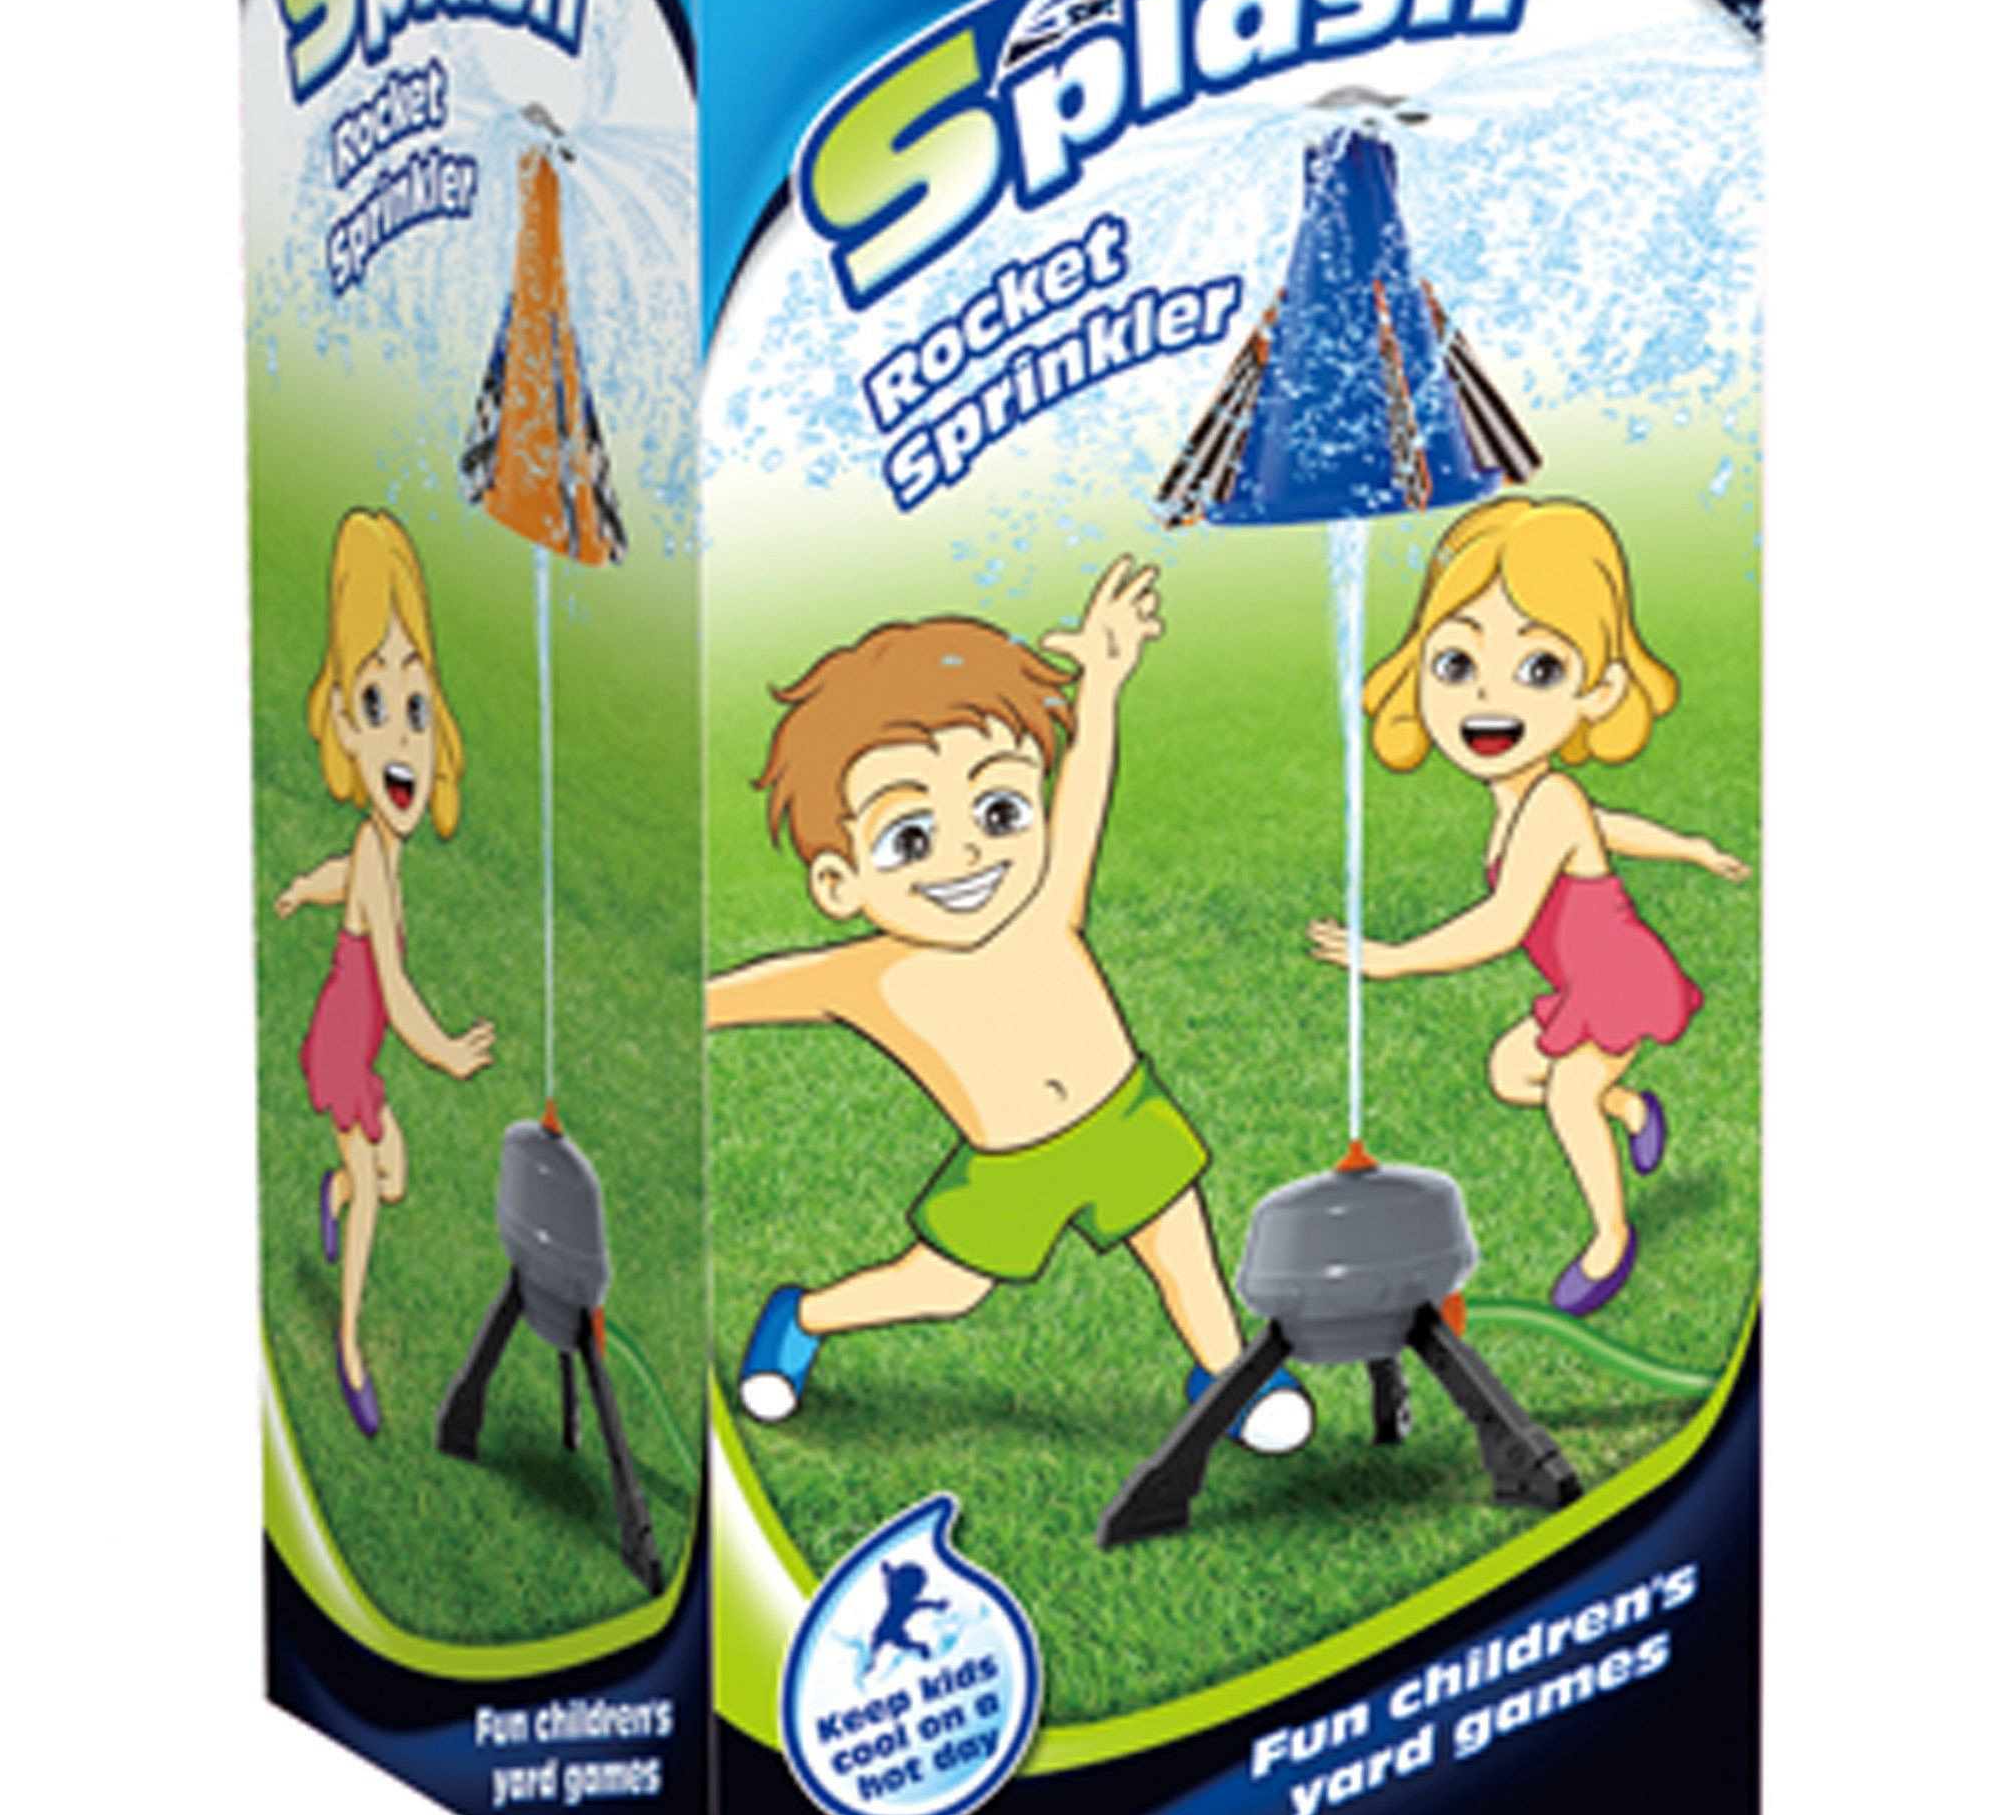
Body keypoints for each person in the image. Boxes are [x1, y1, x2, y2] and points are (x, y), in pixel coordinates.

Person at [712, 557, 1310, 1452]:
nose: (965, 856)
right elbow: (732, 997)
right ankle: (803, 1319)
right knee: (943, 1286)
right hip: (1011, 1165)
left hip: (1122, 1116)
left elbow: (1087, 790)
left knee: (1182, 1251)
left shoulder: (1046, 905)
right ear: (840, 882)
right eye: (911, 837)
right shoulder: (866, 976)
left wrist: (1102, 682)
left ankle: (1227, 1375)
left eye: (998, 811)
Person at [1311, 497, 1746, 1317]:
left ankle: (1610, 1239)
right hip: (1580, 981)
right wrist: (1687, 845)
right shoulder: (1530, 799)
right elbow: (1606, 826)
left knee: (1567, 1094)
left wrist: (1394, 959)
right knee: (1512, 1073)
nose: (1488, 698)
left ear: (1598, 689)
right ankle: (1632, 1109)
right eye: (1456, 664)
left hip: (1617, 980)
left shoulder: (1547, 802)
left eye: (1539, 669)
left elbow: (1506, 921)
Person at [275, 510, 495, 1434]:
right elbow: (396, 995)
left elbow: (354, 876)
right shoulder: (376, 850)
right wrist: (443, 1051)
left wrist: (305, 887)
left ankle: (333, 1193)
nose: (401, 741)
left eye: (415, 708)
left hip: (356, 1044)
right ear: (341, 720)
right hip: (346, 1042)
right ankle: (351, 1348)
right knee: (374, 1188)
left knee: (390, 1178)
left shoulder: (377, 850)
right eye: (375, 707)